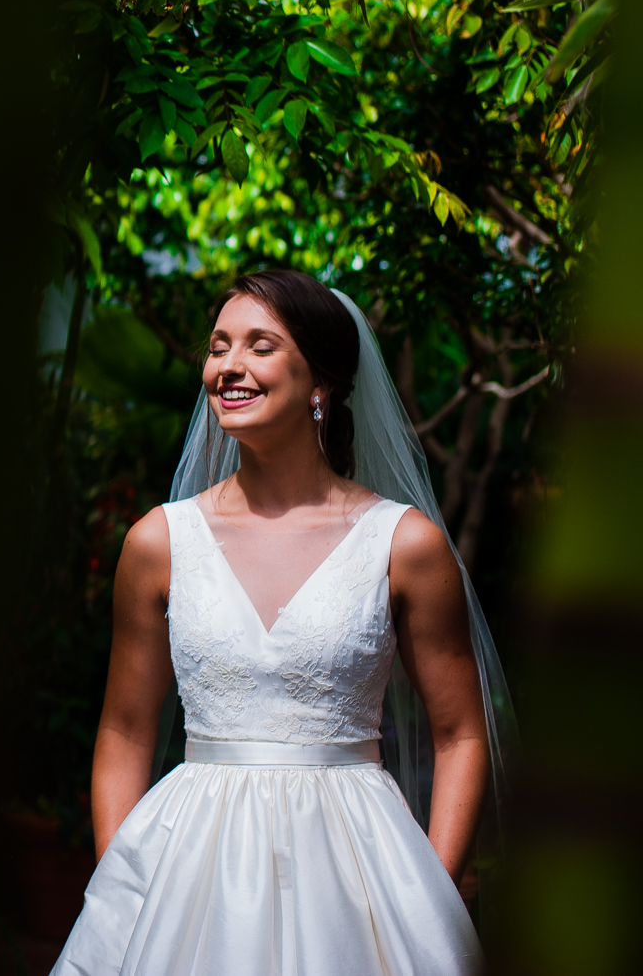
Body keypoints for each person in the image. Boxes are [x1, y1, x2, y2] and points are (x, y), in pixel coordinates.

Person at [52, 270, 502, 975]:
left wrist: (430, 894)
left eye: (260, 345)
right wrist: (124, 880)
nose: (228, 365)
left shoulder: (403, 543)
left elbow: (461, 732)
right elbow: (125, 728)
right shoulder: (157, 542)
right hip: (187, 869)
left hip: (360, 872)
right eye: (218, 346)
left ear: (320, 380)